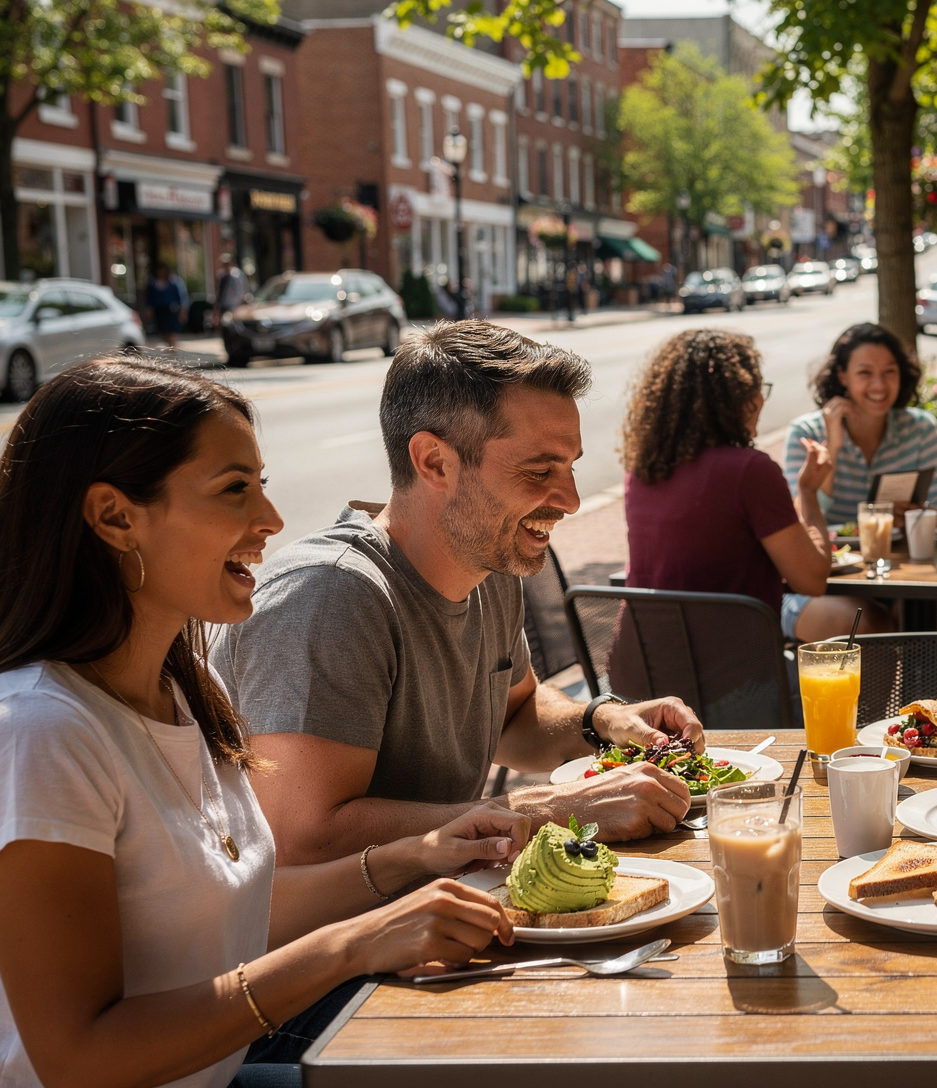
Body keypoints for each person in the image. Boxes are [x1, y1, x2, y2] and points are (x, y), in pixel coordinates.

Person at [0, 357, 528, 1087]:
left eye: (263, 485)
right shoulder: (44, 733)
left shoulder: (187, 689)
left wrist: (419, 855)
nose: (271, 521)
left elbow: (228, 907)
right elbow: (78, 1056)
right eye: (233, 489)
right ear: (115, 517)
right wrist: (352, 945)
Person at [210, 321, 706, 865]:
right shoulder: (329, 595)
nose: (569, 500)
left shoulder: (489, 566)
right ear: (434, 462)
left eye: (570, 468)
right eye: (539, 470)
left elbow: (514, 719)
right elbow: (303, 837)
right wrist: (560, 808)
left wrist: (601, 722)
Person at [621, 329, 835, 611]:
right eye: (758, 388)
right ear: (743, 397)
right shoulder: (749, 470)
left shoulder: (641, 471)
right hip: (728, 653)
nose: (761, 400)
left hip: (643, 650)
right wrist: (808, 491)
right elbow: (811, 580)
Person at [781, 323, 937, 640]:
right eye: (865, 372)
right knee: (869, 626)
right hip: (825, 580)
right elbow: (801, 522)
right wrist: (834, 445)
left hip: (899, 574)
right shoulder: (806, 433)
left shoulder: (920, 428)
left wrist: (916, 516)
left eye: (890, 372)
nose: (879, 384)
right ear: (842, 376)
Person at [145, 263, 187, 348]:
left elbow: (181, 299)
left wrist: (183, 312)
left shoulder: (173, 283)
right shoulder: (153, 284)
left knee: (172, 333)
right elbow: (150, 299)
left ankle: (173, 349)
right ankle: (169, 346)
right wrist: (149, 310)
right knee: (161, 332)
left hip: (171, 311)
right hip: (159, 312)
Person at [213, 254, 248, 329]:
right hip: (224, 304)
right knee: (224, 325)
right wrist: (217, 307)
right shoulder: (221, 275)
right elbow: (219, 292)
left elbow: (243, 290)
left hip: (235, 305)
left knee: (235, 325)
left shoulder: (237, 275)